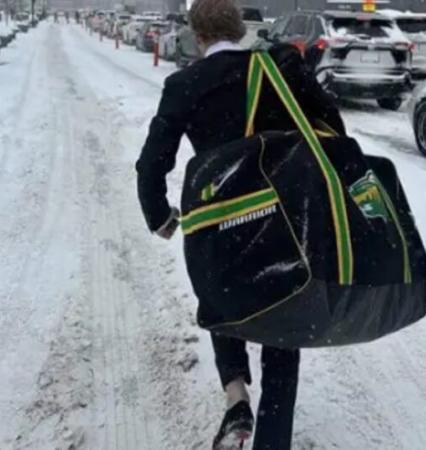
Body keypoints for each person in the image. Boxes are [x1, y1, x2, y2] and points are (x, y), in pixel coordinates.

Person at [135, 0, 346, 449]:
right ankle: (273, 439)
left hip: (218, 224)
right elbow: (334, 126)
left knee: (222, 305)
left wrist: (161, 218)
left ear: (198, 35)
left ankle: (236, 400)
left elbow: (151, 165)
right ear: (238, 28)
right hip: (284, 220)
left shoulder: (184, 84)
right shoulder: (280, 68)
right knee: (284, 324)